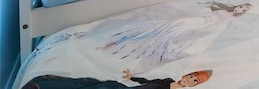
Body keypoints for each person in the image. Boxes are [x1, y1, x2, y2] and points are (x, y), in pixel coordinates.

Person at [21, 69, 212, 89]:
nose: (190, 80)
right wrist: (132, 77)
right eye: (192, 76)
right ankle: (43, 84)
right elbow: (146, 82)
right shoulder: (168, 79)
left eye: (195, 81)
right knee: (93, 83)